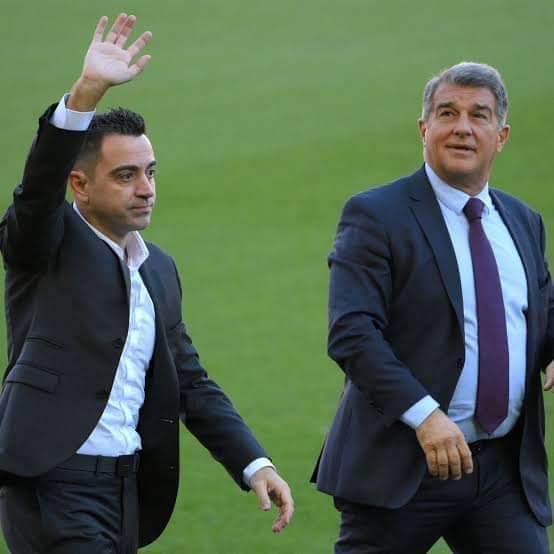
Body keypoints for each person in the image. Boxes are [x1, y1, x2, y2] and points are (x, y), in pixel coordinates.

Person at [0, 13, 293, 553]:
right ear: (79, 185)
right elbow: (37, 191)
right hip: (53, 486)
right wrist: (85, 94)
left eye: (150, 172)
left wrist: (254, 462)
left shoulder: (158, 268)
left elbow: (190, 381)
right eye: (126, 176)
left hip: (128, 493)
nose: (146, 189)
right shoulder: (45, 242)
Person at [311, 61, 553, 553]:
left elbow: (539, 311)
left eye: (479, 115)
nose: (462, 127)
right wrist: (425, 416)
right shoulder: (376, 214)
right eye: (447, 113)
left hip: (501, 471)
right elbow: (352, 333)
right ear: (424, 129)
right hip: (403, 466)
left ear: (501, 136)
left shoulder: (523, 221)